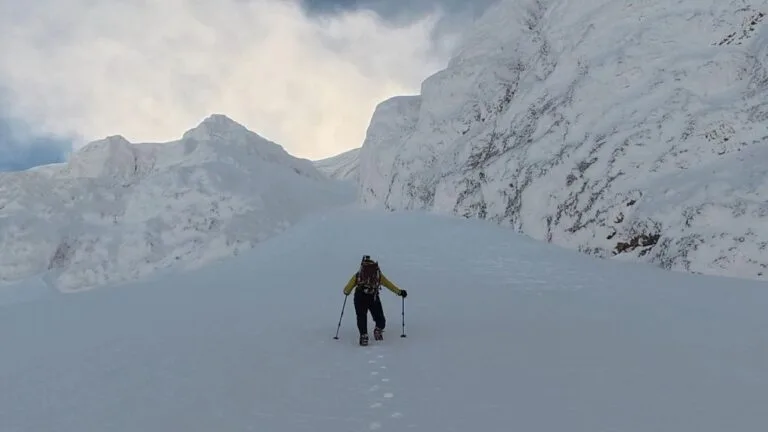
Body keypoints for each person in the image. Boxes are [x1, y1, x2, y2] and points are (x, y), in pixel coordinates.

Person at [343, 255, 407, 346]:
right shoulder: (377, 274)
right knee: (379, 316)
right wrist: (400, 292)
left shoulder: (359, 274)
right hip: (373, 297)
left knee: (361, 316)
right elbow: (389, 284)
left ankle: (364, 336)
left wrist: (346, 291)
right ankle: (378, 329)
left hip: (360, 296)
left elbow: (346, 290)